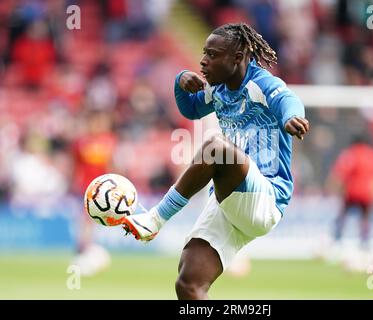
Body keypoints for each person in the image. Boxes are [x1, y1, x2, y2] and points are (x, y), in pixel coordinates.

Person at [121, 22, 309, 299]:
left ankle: (156, 218)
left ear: (238, 57)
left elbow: (287, 100)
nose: (203, 60)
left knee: (217, 147)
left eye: (213, 54)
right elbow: (191, 109)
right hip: (227, 201)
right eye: (204, 53)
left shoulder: (263, 83)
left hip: (266, 197)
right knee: (188, 284)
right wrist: (180, 81)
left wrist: (291, 117)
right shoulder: (218, 89)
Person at [71, 110, 117, 276]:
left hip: (104, 188)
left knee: (93, 221)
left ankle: (87, 249)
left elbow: (112, 165)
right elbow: (75, 165)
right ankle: (83, 249)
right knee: (86, 220)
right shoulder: (81, 142)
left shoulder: (109, 141)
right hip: (86, 187)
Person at [326, 135, 373, 253]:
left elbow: (340, 173)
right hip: (367, 193)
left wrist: (332, 187)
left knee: (343, 215)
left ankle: (337, 240)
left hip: (352, 192)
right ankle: (364, 243)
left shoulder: (350, 154)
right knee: (365, 218)